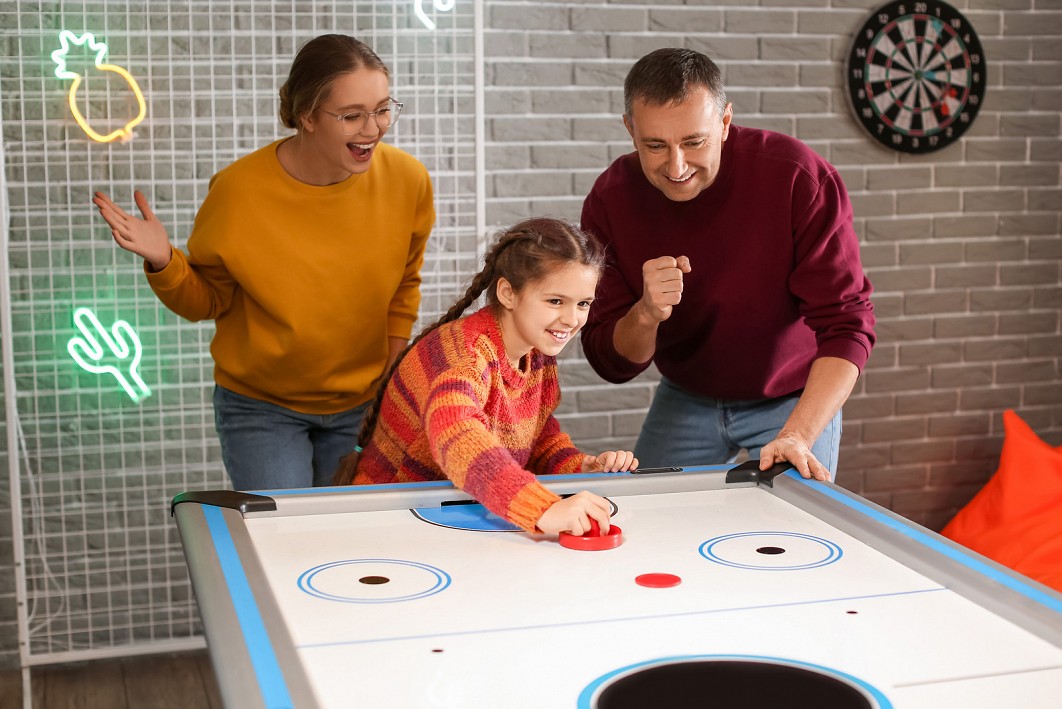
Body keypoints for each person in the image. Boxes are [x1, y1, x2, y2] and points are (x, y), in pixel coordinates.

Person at [93, 35, 435, 490]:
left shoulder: (408, 181)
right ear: (306, 115)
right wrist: (164, 261)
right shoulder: (238, 192)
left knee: (349, 543)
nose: (373, 128)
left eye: (383, 108)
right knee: (284, 540)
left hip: (364, 404)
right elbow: (206, 302)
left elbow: (404, 286)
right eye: (352, 115)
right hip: (262, 409)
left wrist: (390, 383)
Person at [579, 48, 875, 482]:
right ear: (630, 129)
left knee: (788, 529)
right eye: (655, 145)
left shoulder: (797, 177)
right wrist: (645, 313)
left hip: (792, 397)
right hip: (687, 394)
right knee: (650, 522)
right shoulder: (611, 199)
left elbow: (848, 327)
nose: (676, 166)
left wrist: (798, 434)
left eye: (694, 142)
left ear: (724, 122)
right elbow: (612, 362)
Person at [335, 218, 638, 536]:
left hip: (456, 514)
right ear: (508, 293)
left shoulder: (536, 352)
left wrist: (581, 469)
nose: (572, 318)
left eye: (583, 304)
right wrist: (543, 508)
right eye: (555, 301)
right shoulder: (463, 354)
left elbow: (537, 438)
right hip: (389, 522)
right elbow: (459, 437)